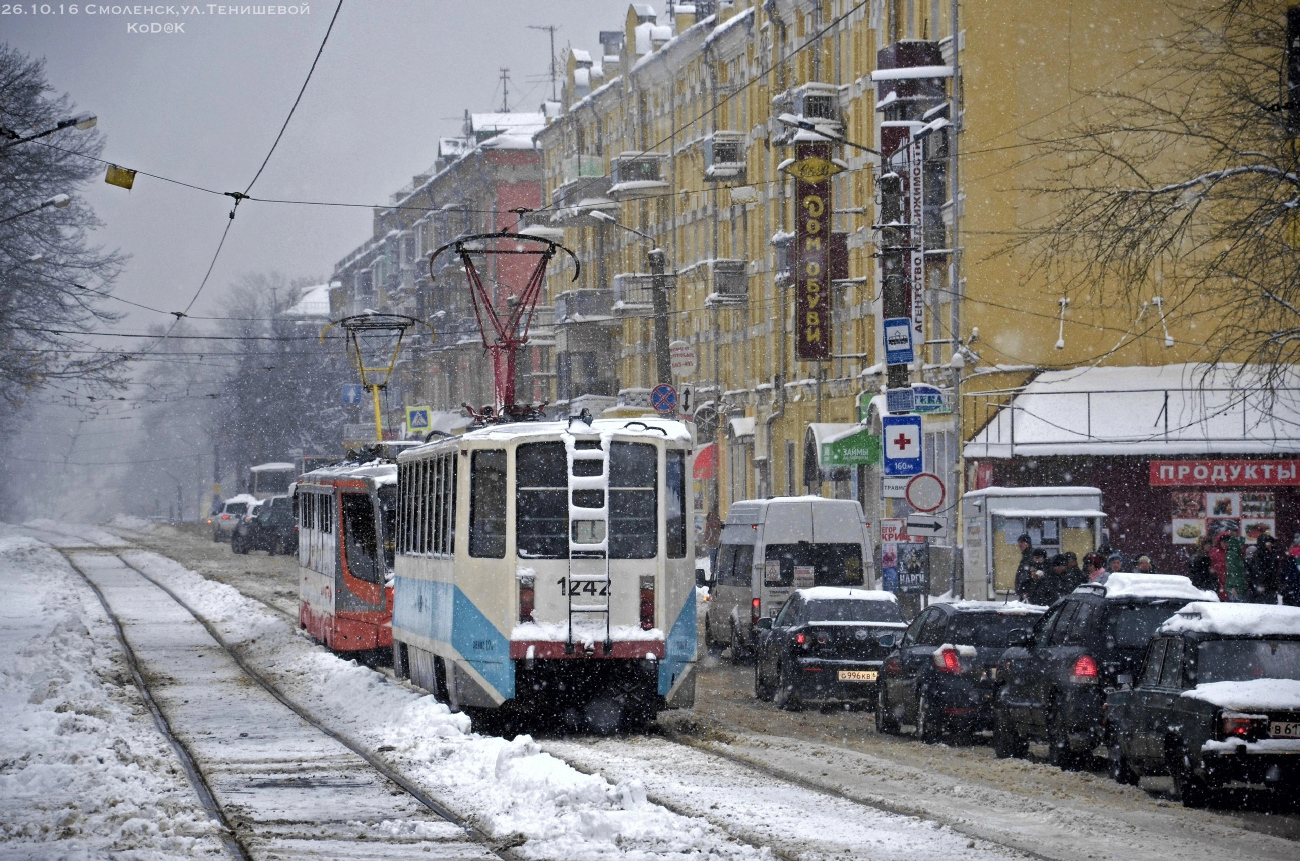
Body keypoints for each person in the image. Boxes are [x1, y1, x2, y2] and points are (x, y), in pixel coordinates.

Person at [1247, 532, 1284, 604]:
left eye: (1270, 543)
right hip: (1263, 587)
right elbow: (1257, 571)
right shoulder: (1259, 555)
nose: (1270, 544)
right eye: (1267, 543)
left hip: (1270, 586)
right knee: (1264, 606)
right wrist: (1261, 584)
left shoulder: (1271, 553)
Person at [1225, 535, 1248, 602]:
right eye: (1241, 544)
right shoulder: (1233, 555)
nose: (1242, 546)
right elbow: (1233, 571)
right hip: (1236, 586)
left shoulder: (1235, 554)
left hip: (1237, 585)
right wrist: (1233, 587)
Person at [1207, 532, 1229, 600]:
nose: (1226, 544)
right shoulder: (1214, 552)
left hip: (1228, 580)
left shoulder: (1231, 552)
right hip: (1217, 579)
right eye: (1224, 542)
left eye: (1227, 542)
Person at [701, 509, 722, 573]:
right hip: (719, 544)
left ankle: (713, 573)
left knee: (712, 560)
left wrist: (704, 541)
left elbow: (707, 534)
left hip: (712, 544)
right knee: (719, 559)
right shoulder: (720, 523)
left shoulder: (709, 524)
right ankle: (719, 572)